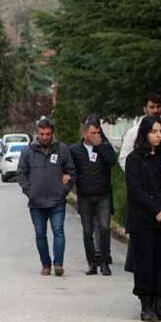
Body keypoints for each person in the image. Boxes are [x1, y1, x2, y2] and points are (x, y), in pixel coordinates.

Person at [125, 116, 161, 322]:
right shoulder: (135, 159)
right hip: (144, 220)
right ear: (145, 133)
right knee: (146, 262)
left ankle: (160, 302)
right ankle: (146, 304)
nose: (158, 135)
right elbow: (135, 191)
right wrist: (156, 211)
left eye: (160, 131)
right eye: (154, 131)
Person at [17, 118, 76, 276]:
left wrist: (64, 189)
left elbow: (71, 172)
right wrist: (29, 191)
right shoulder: (28, 151)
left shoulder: (62, 149)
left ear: (52, 134)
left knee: (58, 231)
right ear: (37, 133)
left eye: (48, 134)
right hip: (36, 202)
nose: (45, 137)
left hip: (57, 200)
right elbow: (21, 174)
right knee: (40, 234)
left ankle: (58, 263)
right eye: (42, 134)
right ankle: (46, 264)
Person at [70, 116, 117, 275]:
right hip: (85, 195)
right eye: (93, 133)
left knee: (104, 228)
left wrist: (101, 147)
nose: (96, 135)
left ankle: (104, 261)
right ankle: (92, 263)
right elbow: (71, 169)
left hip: (103, 194)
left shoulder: (104, 146)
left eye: (98, 132)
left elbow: (112, 162)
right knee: (87, 230)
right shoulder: (75, 150)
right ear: (85, 134)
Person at [119, 93, 161, 170]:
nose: (156, 110)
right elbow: (124, 159)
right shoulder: (133, 132)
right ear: (145, 109)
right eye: (152, 107)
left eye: (158, 107)